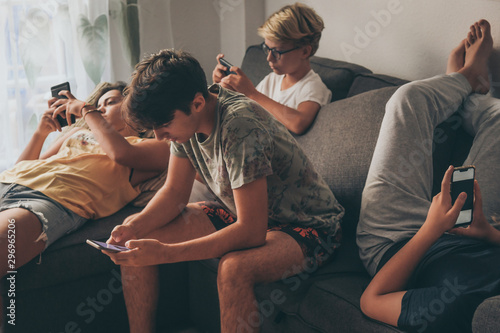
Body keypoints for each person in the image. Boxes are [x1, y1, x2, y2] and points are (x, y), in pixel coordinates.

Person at [104, 49, 344, 333]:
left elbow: (251, 231)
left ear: (196, 103)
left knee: (234, 269)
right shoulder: (184, 123)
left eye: (163, 125)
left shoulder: (239, 127)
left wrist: (166, 253)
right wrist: (134, 225)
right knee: (133, 242)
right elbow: (174, 193)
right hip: (246, 213)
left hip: (309, 226)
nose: (158, 136)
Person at [357, 20, 500, 332]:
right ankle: (468, 89)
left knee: (408, 100)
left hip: (398, 241)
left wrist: (432, 229)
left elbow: (372, 300)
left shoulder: (457, 310)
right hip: (473, 228)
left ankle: (461, 79)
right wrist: (487, 233)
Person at [0, 82, 170, 323]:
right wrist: (40, 134)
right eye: (97, 105)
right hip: (7, 183)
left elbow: (120, 153)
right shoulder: (78, 134)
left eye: (110, 102)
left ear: (134, 109)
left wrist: (87, 110)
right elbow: (25, 168)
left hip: (47, 200)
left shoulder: (152, 147)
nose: (100, 109)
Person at [212, 2, 331, 135]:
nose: (269, 58)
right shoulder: (272, 80)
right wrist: (223, 86)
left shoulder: (313, 87)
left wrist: (251, 93)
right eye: (267, 49)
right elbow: (247, 108)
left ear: (304, 52)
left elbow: (298, 123)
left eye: (277, 52)